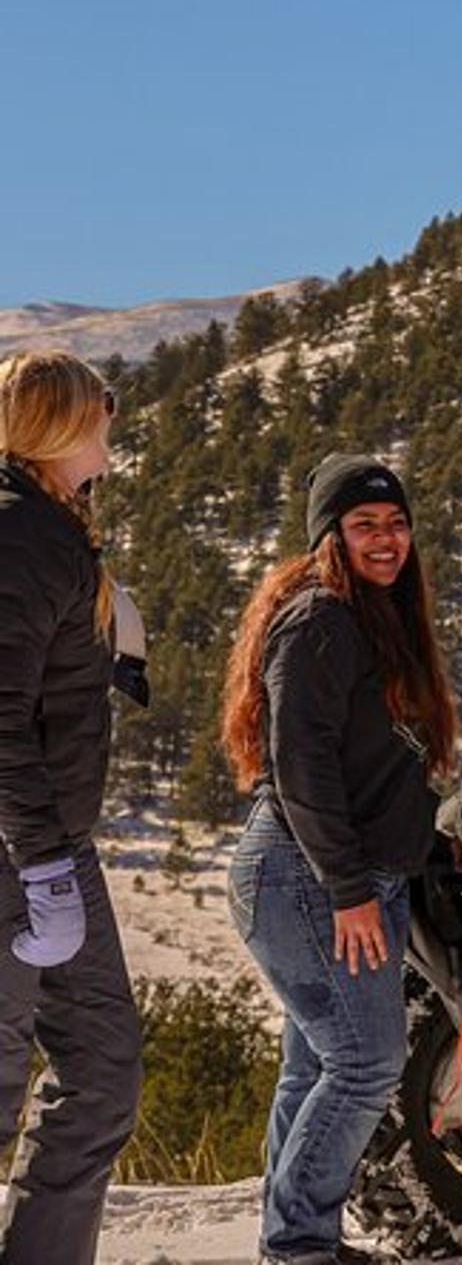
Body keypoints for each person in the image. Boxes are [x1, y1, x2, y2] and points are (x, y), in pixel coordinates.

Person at [221, 454, 458, 1265]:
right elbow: (301, 765)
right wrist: (350, 890)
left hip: (331, 874)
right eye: (365, 525)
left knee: (314, 1064)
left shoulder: (376, 619)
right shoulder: (320, 619)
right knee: (365, 1063)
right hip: (310, 875)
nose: (385, 539)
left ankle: (289, 1242)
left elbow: (381, 762)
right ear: (332, 536)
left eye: (395, 523)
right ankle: (298, 1245)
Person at [0, 350, 142, 1265]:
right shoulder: (19, 534)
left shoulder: (56, 526)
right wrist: (43, 858)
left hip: (54, 844)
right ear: (59, 423)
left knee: (101, 1070)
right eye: (100, 410)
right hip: (20, 846)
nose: (111, 426)